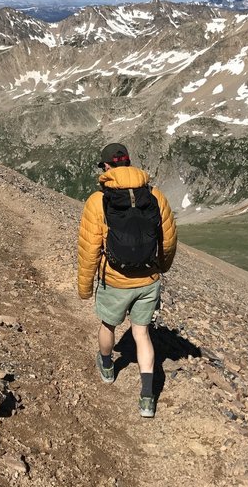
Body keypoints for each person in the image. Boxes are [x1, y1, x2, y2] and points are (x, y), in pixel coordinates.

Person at [77, 143, 177, 418]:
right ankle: (147, 398)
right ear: (129, 163)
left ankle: (107, 366)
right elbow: (168, 240)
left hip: (115, 280)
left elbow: (89, 250)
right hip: (148, 278)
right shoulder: (155, 195)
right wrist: (162, 267)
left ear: (106, 167)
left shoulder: (97, 202)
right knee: (142, 333)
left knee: (109, 324)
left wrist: (85, 287)